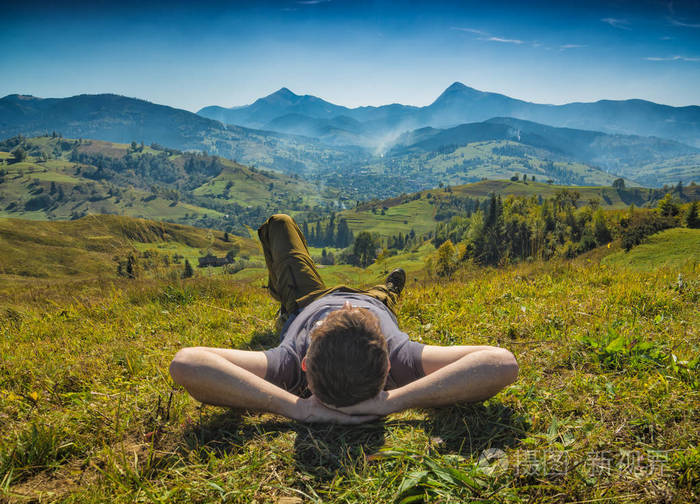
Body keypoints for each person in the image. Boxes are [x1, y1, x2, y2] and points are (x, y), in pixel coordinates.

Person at [170, 214, 518, 424]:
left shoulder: (287, 366)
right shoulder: (400, 357)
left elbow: (186, 363)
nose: (345, 309)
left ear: (305, 364)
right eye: (356, 317)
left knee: (280, 225)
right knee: (380, 297)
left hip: (307, 300)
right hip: (372, 301)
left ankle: (300, 292)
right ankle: (387, 291)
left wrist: (296, 409)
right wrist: (394, 402)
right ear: (386, 365)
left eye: (330, 325)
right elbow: (502, 364)